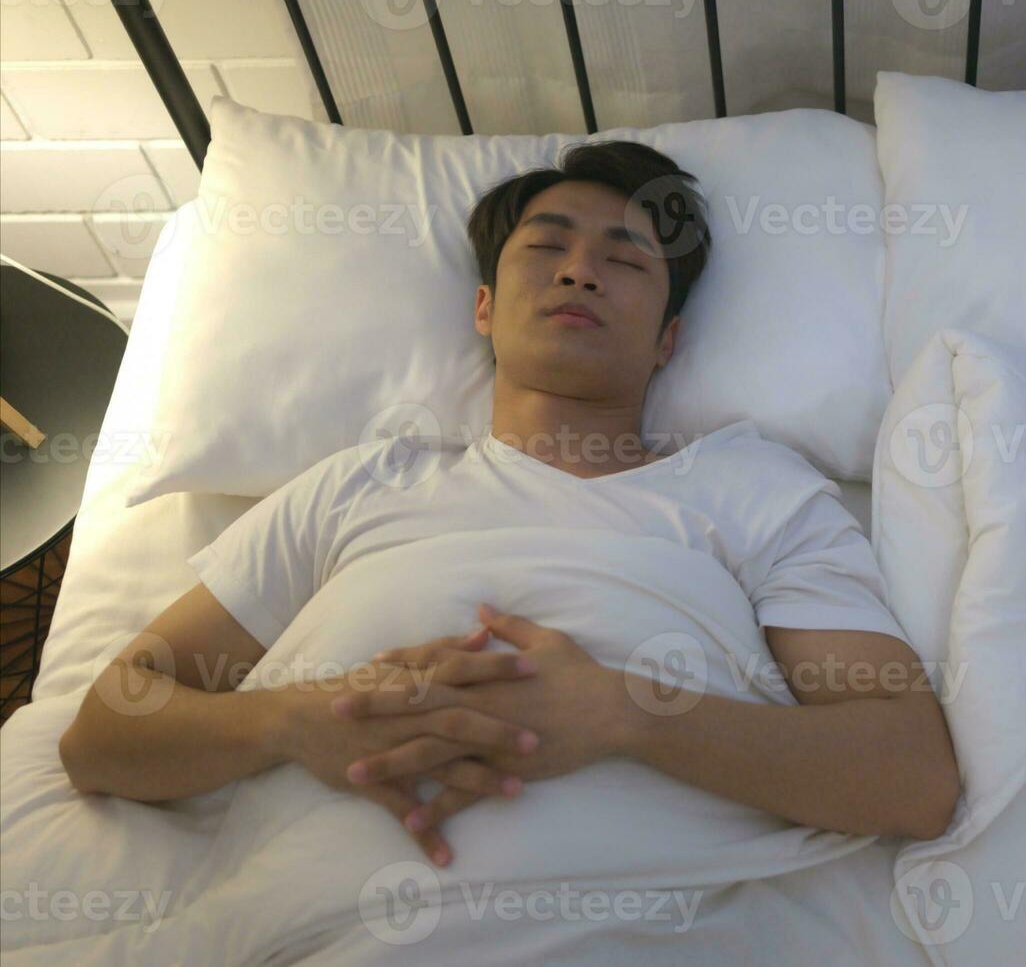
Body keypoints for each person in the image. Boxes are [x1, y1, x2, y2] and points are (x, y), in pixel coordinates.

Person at [58, 141, 961, 868]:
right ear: (484, 309)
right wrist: (293, 721)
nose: (579, 273)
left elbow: (909, 776)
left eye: (625, 258)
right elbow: (104, 730)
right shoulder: (357, 487)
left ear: (668, 340)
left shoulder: (758, 491)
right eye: (546, 247)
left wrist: (625, 715)